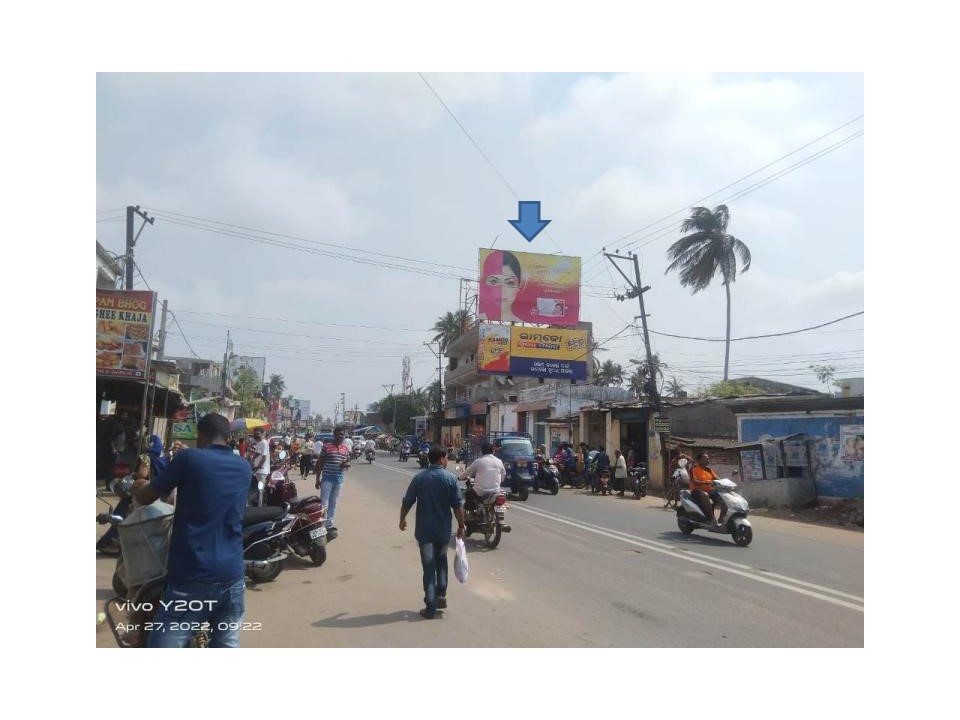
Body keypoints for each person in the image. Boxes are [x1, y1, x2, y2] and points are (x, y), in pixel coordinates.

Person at [133, 413, 249, 648]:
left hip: (192, 576)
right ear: (228, 437)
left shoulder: (189, 459)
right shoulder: (243, 466)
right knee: (227, 645)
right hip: (233, 576)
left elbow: (146, 497)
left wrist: (138, 485)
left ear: (200, 435)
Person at [399, 447, 465, 619]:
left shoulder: (420, 478)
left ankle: (430, 606)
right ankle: (440, 594)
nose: (447, 460)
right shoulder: (450, 478)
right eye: (446, 458)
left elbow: (408, 501)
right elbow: (457, 506)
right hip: (443, 531)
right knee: (441, 561)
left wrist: (402, 519)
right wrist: (461, 525)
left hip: (424, 531)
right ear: (441, 459)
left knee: (429, 568)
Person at [315, 426, 351, 539]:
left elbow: (347, 462)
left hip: (339, 480)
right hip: (327, 479)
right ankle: (320, 524)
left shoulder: (345, 448)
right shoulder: (327, 447)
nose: (340, 436)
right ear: (334, 435)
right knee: (324, 504)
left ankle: (329, 525)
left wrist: (346, 464)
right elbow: (320, 463)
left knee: (333, 504)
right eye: (338, 434)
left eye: (342, 434)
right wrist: (317, 479)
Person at [478, 249, 525, 322]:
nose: (501, 291)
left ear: (520, 285)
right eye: (494, 282)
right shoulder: (478, 321)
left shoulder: (523, 325)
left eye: (509, 283)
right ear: (484, 283)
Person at [459, 441, 506, 508]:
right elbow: (503, 474)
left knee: (468, 494)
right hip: (496, 491)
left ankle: (471, 514)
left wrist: (459, 477)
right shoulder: (499, 461)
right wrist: (499, 481)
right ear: (493, 451)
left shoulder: (478, 461)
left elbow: (468, 472)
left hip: (480, 492)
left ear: (482, 451)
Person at [689, 452, 720, 524]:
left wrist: (724, 482)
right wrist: (704, 482)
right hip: (696, 491)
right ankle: (712, 519)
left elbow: (717, 479)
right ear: (699, 460)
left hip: (709, 490)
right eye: (706, 459)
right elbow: (694, 481)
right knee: (705, 495)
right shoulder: (694, 469)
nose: (708, 460)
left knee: (722, 496)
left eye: (708, 459)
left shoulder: (709, 470)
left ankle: (721, 519)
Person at [251, 429, 270, 504]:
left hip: (262, 470)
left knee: (260, 489)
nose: (256, 435)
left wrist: (257, 468)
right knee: (257, 489)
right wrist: (252, 459)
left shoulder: (264, 443)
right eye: (255, 434)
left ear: (262, 434)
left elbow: (264, 458)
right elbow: (257, 453)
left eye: (258, 433)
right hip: (257, 470)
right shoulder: (259, 443)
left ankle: (260, 507)